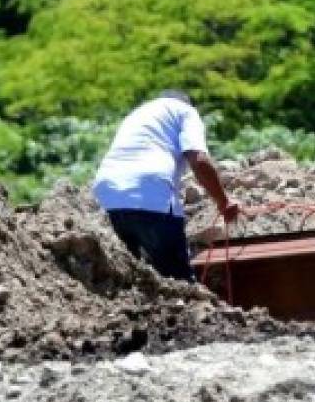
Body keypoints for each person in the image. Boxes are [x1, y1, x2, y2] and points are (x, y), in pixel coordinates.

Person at [93, 91, 240, 283]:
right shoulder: (186, 111)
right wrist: (223, 201)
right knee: (180, 286)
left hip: (107, 196)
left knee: (131, 284)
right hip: (150, 194)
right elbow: (199, 160)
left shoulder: (138, 114)